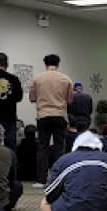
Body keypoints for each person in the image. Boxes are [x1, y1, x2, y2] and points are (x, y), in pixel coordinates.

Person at [30, 54, 73, 187]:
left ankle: (41, 180)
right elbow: (70, 100)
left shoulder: (37, 78)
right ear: (58, 64)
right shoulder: (66, 79)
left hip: (43, 116)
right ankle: (58, 178)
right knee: (59, 148)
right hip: (60, 115)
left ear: (45, 64)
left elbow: (32, 98)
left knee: (42, 148)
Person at [0, 52, 24, 151]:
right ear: (7, 65)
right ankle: (10, 166)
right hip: (9, 117)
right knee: (10, 146)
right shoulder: (14, 79)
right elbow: (19, 97)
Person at [0, 123, 22, 211]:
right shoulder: (9, 153)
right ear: (1, 137)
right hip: (2, 203)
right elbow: (12, 179)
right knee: (18, 185)